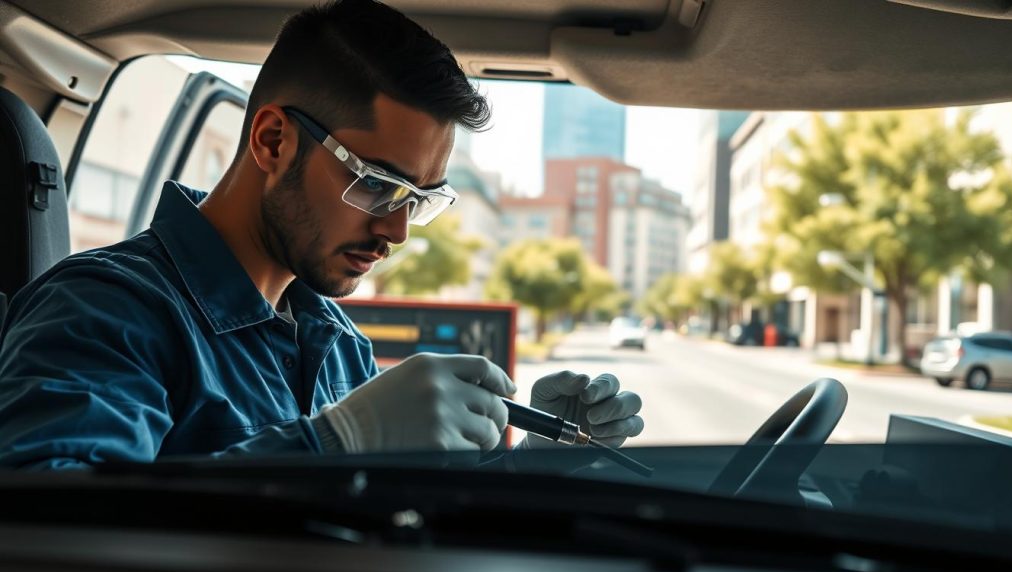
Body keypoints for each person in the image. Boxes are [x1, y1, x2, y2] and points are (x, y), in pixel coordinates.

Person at [0, 0, 643, 469]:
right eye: (377, 183)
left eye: (419, 201)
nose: (396, 231)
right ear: (273, 141)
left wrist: (531, 462)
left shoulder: (336, 342)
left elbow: (402, 522)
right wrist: (332, 444)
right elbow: (48, 530)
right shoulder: (99, 311)